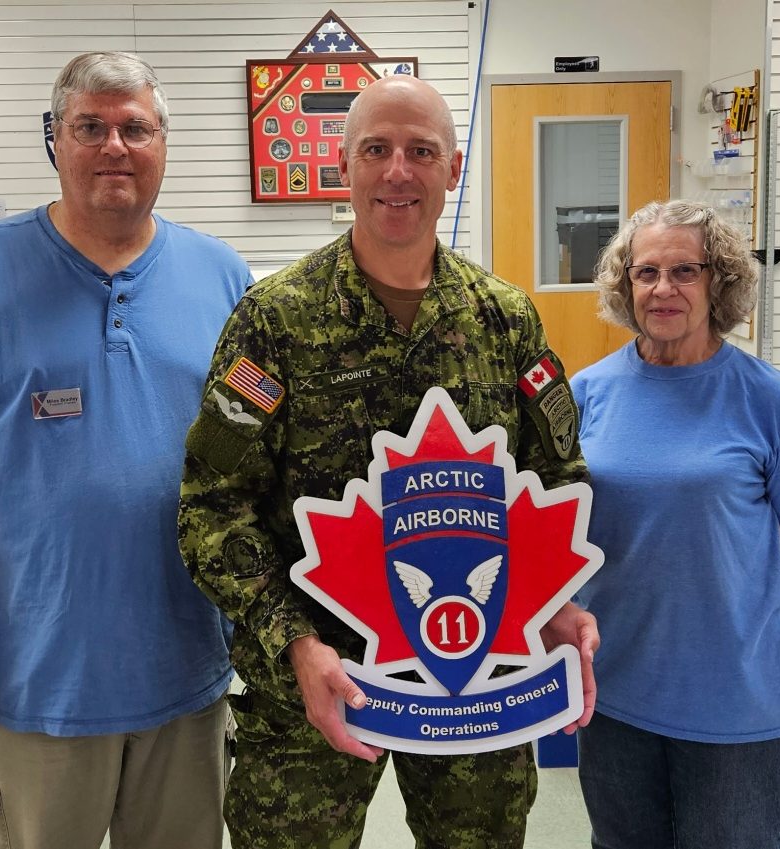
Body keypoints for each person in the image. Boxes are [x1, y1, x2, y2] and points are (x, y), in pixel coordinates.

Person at [178, 75, 600, 848]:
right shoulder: (274, 321)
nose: (397, 171)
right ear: (345, 165)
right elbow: (212, 508)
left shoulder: (502, 318)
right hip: (316, 679)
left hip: (476, 671)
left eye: (420, 151)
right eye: (376, 149)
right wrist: (293, 640)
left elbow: (555, 480)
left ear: (452, 167)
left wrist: (554, 605)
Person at [0, 52, 250, 849]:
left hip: (186, 669)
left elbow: (258, 450)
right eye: (90, 127)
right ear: (54, 140)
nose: (114, 145)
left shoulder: (222, 277)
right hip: (31, 676)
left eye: (134, 127)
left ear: (163, 142)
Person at [570, 199, 780, 849]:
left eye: (684, 270)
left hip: (737, 701)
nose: (663, 288)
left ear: (719, 281)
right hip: (616, 692)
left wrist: (730, 621)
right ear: (623, 284)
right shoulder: (586, 392)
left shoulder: (768, 398)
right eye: (645, 272)